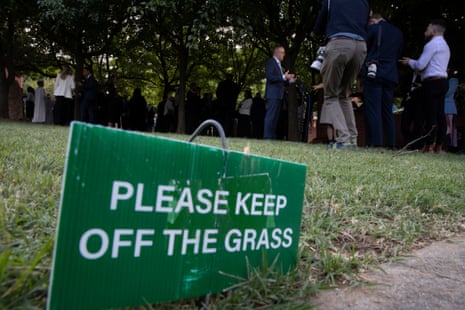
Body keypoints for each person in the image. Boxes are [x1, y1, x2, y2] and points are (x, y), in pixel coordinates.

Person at [312, 0, 369, 149]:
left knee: (330, 96)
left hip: (339, 43)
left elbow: (319, 25)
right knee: (344, 95)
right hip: (360, 46)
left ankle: (343, 139)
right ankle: (353, 139)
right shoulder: (364, 2)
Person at [400, 19, 450, 154]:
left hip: (431, 83)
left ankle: (428, 145)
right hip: (443, 81)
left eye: (427, 29)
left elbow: (421, 65)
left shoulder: (431, 45)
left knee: (430, 115)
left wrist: (410, 62)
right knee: (440, 114)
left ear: (433, 31)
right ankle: (439, 144)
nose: (425, 32)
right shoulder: (445, 45)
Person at [361, 13, 403, 148]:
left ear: (372, 20)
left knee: (373, 110)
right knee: (387, 111)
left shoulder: (374, 29)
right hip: (390, 74)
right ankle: (391, 144)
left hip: (375, 72)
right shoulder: (398, 33)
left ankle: (375, 143)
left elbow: (363, 48)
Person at [264, 45, 296, 139]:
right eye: (282, 52)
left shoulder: (278, 64)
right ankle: (267, 137)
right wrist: (283, 77)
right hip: (273, 94)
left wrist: (289, 81)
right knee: (271, 116)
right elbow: (270, 77)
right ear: (277, 53)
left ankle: (271, 137)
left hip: (279, 95)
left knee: (275, 117)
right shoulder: (271, 62)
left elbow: (280, 81)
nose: (284, 55)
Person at [444, 67, 459, 150]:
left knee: (448, 129)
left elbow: (448, 92)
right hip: (441, 107)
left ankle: (446, 147)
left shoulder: (453, 80)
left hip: (448, 108)